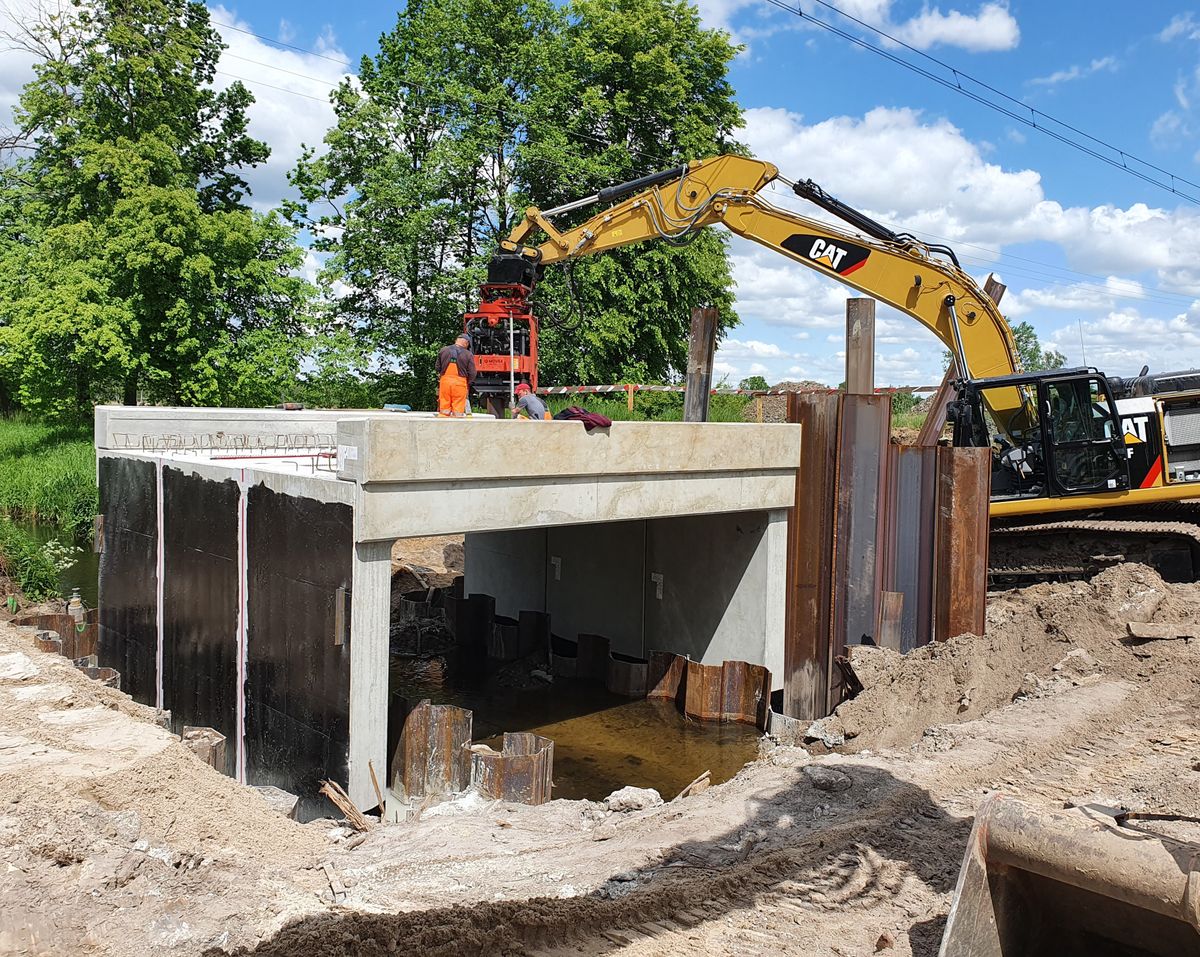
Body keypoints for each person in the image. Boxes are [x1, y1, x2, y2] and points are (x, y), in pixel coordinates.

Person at [437, 334, 476, 416]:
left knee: (444, 410)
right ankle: (457, 425)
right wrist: (467, 382)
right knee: (458, 411)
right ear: (466, 343)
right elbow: (472, 372)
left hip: (445, 383)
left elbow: (437, 367)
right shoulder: (468, 354)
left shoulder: (443, 350)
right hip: (460, 384)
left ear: (456, 340)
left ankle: (443, 423)